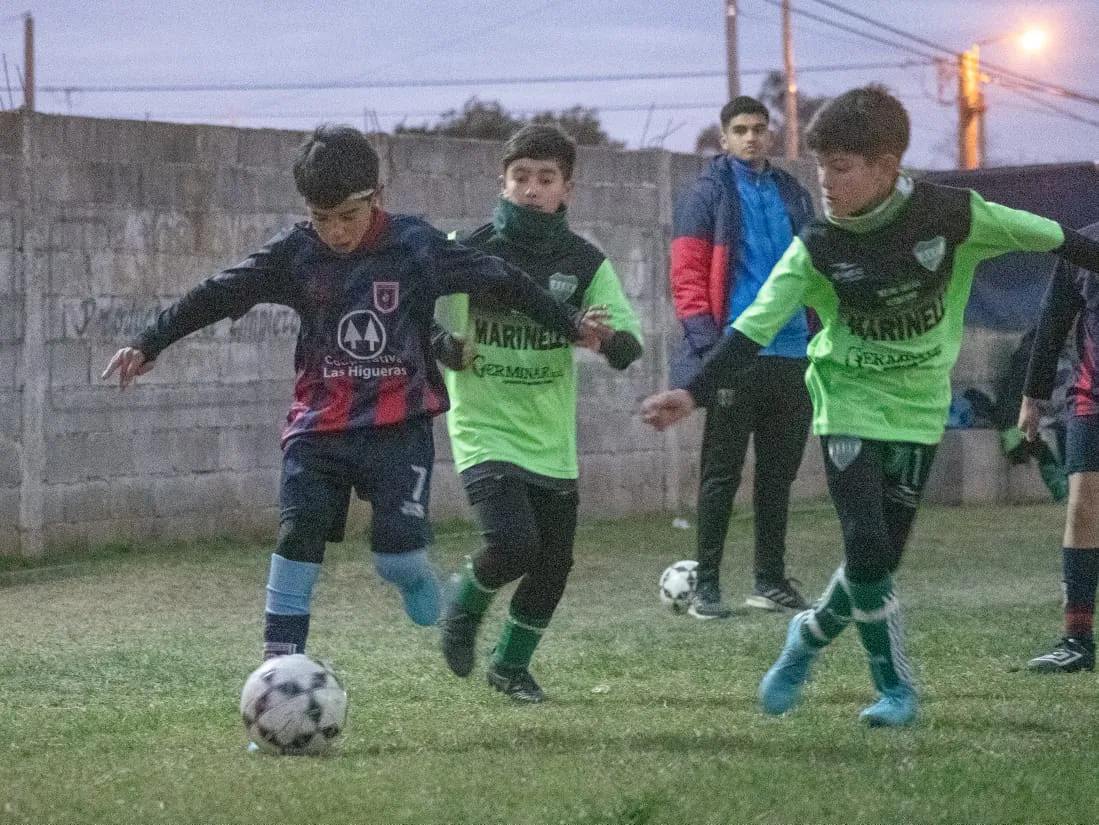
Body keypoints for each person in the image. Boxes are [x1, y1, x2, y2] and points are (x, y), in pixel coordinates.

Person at [641, 85, 1099, 726]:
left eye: (842, 167)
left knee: (876, 567)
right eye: (820, 164)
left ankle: (806, 637)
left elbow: (1060, 240)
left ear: (887, 167)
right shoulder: (818, 246)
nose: (825, 180)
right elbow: (752, 327)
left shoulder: (953, 215)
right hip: (847, 403)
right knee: (863, 545)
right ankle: (897, 691)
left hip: (916, 410)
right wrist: (690, 391)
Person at [100, 124, 607, 663]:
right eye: (322, 218)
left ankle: (413, 576)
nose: (336, 232)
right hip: (319, 426)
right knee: (297, 537)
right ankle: (279, 671)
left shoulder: (415, 246)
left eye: (348, 215)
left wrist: (567, 321)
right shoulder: (295, 254)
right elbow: (221, 291)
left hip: (399, 426)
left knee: (397, 560)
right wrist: (149, 341)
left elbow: (500, 278)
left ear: (377, 197)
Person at [435, 124, 643, 702]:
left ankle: (509, 667)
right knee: (514, 543)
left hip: (549, 437)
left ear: (566, 190)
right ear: (502, 184)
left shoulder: (583, 263)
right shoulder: (469, 250)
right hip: (484, 427)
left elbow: (628, 341)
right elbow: (425, 319)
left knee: (554, 563)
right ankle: (464, 606)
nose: (531, 189)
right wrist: (441, 343)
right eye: (520, 177)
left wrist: (606, 341)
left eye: (545, 179)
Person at [669, 95, 815, 619]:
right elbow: (686, 279)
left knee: (779, 475)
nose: (751, 137)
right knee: (721, 474)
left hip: (794, 351)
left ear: (769, 135)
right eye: (740, 129)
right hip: (737, 352)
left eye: (759, 128)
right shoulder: (705, 195)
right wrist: (712, 353)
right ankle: (707, 585)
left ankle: (770, 581)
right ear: (724, 137)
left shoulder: (792, 192)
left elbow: (817, 265)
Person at [1020, 221, 1099, 673]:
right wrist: (1032, 396)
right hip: (1091, 397)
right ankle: (1077, 640)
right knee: (1083, 507)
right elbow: (1052, 320)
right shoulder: (1082, 244)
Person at [993, 327, 1070, 503]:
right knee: (1044, 450)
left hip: (1021, 417)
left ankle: (1066, 490)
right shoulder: (1031, 358)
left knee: (1061, 434)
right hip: (1016, 420)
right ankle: (1063, 492)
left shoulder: (1031, 354)